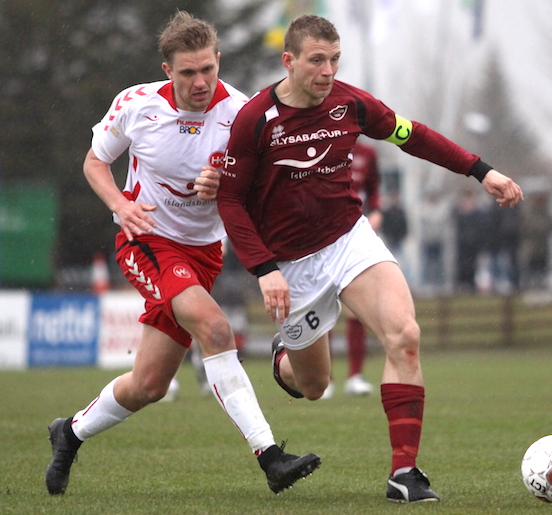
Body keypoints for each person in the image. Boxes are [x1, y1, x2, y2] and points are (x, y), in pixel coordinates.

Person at [216, 15, 523, 503]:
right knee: (313, 386)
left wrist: (480, 171)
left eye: (335, 60)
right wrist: (264, 269)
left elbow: (413, 135)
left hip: (349, 240)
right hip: (291, 264)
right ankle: (284, 359)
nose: (328, 71)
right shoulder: (256, 119)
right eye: (317, 60)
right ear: (288, 61)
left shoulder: (352, 103)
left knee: (405, 335)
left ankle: (404, 473)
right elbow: (230, 201)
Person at [44, 11, 320, 497]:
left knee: (149, 385)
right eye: (188, 72)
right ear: (167, 70)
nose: (200, 82)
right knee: (215, 329)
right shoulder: (137, 104)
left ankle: (70, 432)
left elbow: (259, 188)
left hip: (205, 253)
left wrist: (225, 183)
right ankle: (271, 457)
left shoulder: (242, 113)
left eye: (207, 69)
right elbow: (95, 162)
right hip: (146, 241)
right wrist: (121, 205)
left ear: (219, 61)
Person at [325, 142, 382, 398]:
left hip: (354, 239)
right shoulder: (321, 145)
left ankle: (355, 376)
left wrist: (376, 211)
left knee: (356, 310)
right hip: (322, 239)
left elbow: (374, 188)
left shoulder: (368, 153)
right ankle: (325, 378)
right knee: (323, 311)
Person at [453, 188, 487, 293]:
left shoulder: (477, 211)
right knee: (462, 263)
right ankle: (462, 283)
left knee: (473, 263)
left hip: (473, 242)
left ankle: (471, 283)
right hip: (463, 241)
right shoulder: (460, 210)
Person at [520, 193, 552, 290]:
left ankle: (541, 282)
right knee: (531, 264)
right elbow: (524, 228)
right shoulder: (529, 214)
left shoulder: (545, 214)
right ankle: (530, 282)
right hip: (532, 245)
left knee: (542, 264)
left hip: (542, 245)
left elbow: (551, 226)